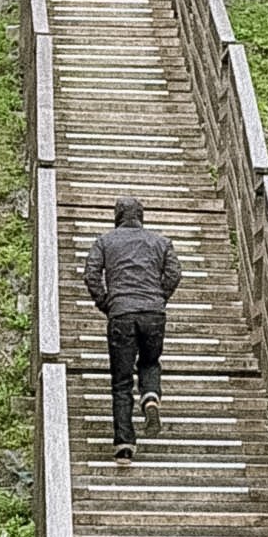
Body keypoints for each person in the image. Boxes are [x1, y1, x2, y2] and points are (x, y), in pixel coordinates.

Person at [83, 196, 182, 460]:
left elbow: (91, 274)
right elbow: (174, 272)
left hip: (122, 314)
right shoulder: (161, 242)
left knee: (122, 380)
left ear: (117, 217)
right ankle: (150, 396)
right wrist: (159, 297)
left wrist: (106, 302)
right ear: (141, 216)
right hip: (153, 313)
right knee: (150, 361)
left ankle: (124, 444)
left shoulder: (104, 242)